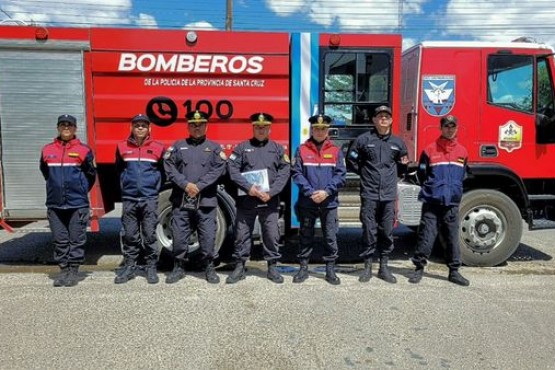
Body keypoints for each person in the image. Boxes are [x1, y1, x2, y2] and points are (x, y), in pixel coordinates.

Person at [226, 113, 291, 284]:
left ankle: (272, 266)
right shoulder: (242, 147)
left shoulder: (277, 149)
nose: (261, 130)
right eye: (258, 127)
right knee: (242, 233)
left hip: (269, 200)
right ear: (253, 128)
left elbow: (284, 173)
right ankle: (240, 266)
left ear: (269, 128)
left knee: (271, 233)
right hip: (247, 199)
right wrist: (249, 188)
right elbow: (232, 169)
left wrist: (272, 192)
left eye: (264, 127)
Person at [346, 105, 408, 284]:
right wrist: (364, 173)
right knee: (369, 230)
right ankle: (367, 267)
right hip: (370, 193)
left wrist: (396, 175)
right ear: (373, 120)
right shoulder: (363, 140)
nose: (383, 119)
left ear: (391, 120)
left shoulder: (398, 143)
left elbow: (403, 164)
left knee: (387, 231)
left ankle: (384, 267)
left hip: (389, 195)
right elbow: (351, 160)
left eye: (386, 116)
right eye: (379, 116)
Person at [163, 110, 226, 284]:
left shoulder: (214, 148)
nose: (196, 128)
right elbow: (168, 166)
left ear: (206, 126)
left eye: (200, 125)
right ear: (188, 126)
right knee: (179, 234)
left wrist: (199, 186)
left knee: (208, 236)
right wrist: (186, 185)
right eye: (193, 125)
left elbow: (218, 169)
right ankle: (178, 267)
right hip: (182, 200)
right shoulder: (177, 146)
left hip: (206, 200)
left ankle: (209, 268)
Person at [408, 115, 470, 286]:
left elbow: (463, 174)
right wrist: (433, 189)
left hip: (452, 203)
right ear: (441, 128)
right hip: (432, 202)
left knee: (452, 238)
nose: (450, 129)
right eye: (447, 126)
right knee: (426, 236)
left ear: (456, 128)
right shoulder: (429, 150)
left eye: (453, 126)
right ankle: (419, 269)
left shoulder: (462, 152)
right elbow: (422, 174)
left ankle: (454, 272)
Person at [40, 114, 96, 287]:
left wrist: (79, 190)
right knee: (60, 239)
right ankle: (63, 270)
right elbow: (45, 172)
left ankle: (73, 271)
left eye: (69, 125)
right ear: (58, 127)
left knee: (76, 239)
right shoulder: (47, 150)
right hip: (55, 204)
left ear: (75, 128)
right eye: (63, 125)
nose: (66, 127)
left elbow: (91, 175)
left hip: (77, 204)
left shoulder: (84, 150)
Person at [291, 114, 346, 284]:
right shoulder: (301, 150)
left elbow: (341, 176)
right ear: (312, 130)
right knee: (305, 235)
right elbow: (296, 173)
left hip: (328, 202)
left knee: (330, 236)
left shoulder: (336, 151)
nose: (320, 131)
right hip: (308, 202)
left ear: (327, 130)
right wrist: (310, 192)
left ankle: (330, 270)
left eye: (323, 129)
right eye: (317, 128)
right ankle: (303, 268)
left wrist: (326, 192)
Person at [114, 114, 165, 284]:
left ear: (150, 128)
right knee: (130, 235)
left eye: (144, 125)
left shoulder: (158, 148)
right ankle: (129, 267)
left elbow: (163, 173)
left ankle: (151, 267)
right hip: (129, 198)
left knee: (149, 234)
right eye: (137, 125)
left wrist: (154, 187)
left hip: (149, 198)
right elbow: (119, 170)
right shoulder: (122, 147)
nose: (140, 128)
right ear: (132, 128)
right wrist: (125, 186)